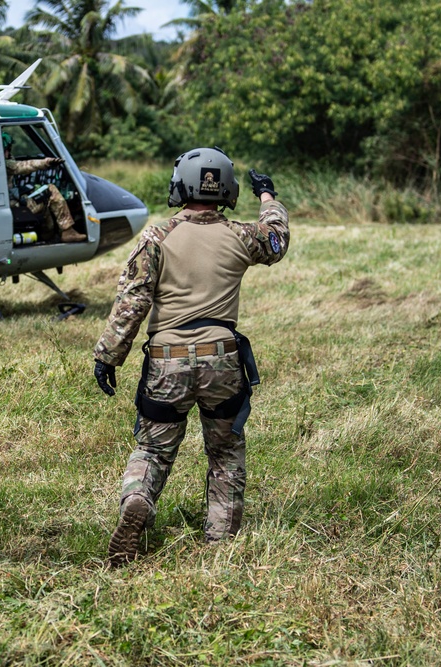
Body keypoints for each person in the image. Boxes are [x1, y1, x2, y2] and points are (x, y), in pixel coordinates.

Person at [92, 147, 289, 565]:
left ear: (180, 184)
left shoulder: (156, 238)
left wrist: (109, 356)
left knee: (152, 450)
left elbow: (133, 301)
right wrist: (268, 197)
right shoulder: (242, 236)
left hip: (167, 358)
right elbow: (277, 240)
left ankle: (138, 500)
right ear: (227, 190)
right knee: (225, 451)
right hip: (223, 359)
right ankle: (221, 542)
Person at [3, 133, 86, 244]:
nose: (8, 152)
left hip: (7, 207)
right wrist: (45, 162)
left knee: (43, 204)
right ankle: (67, 230)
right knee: (50, 191)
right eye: (7, 149)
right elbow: (24, 165)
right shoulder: (2, 164)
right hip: (13, 209)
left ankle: (48, 238)